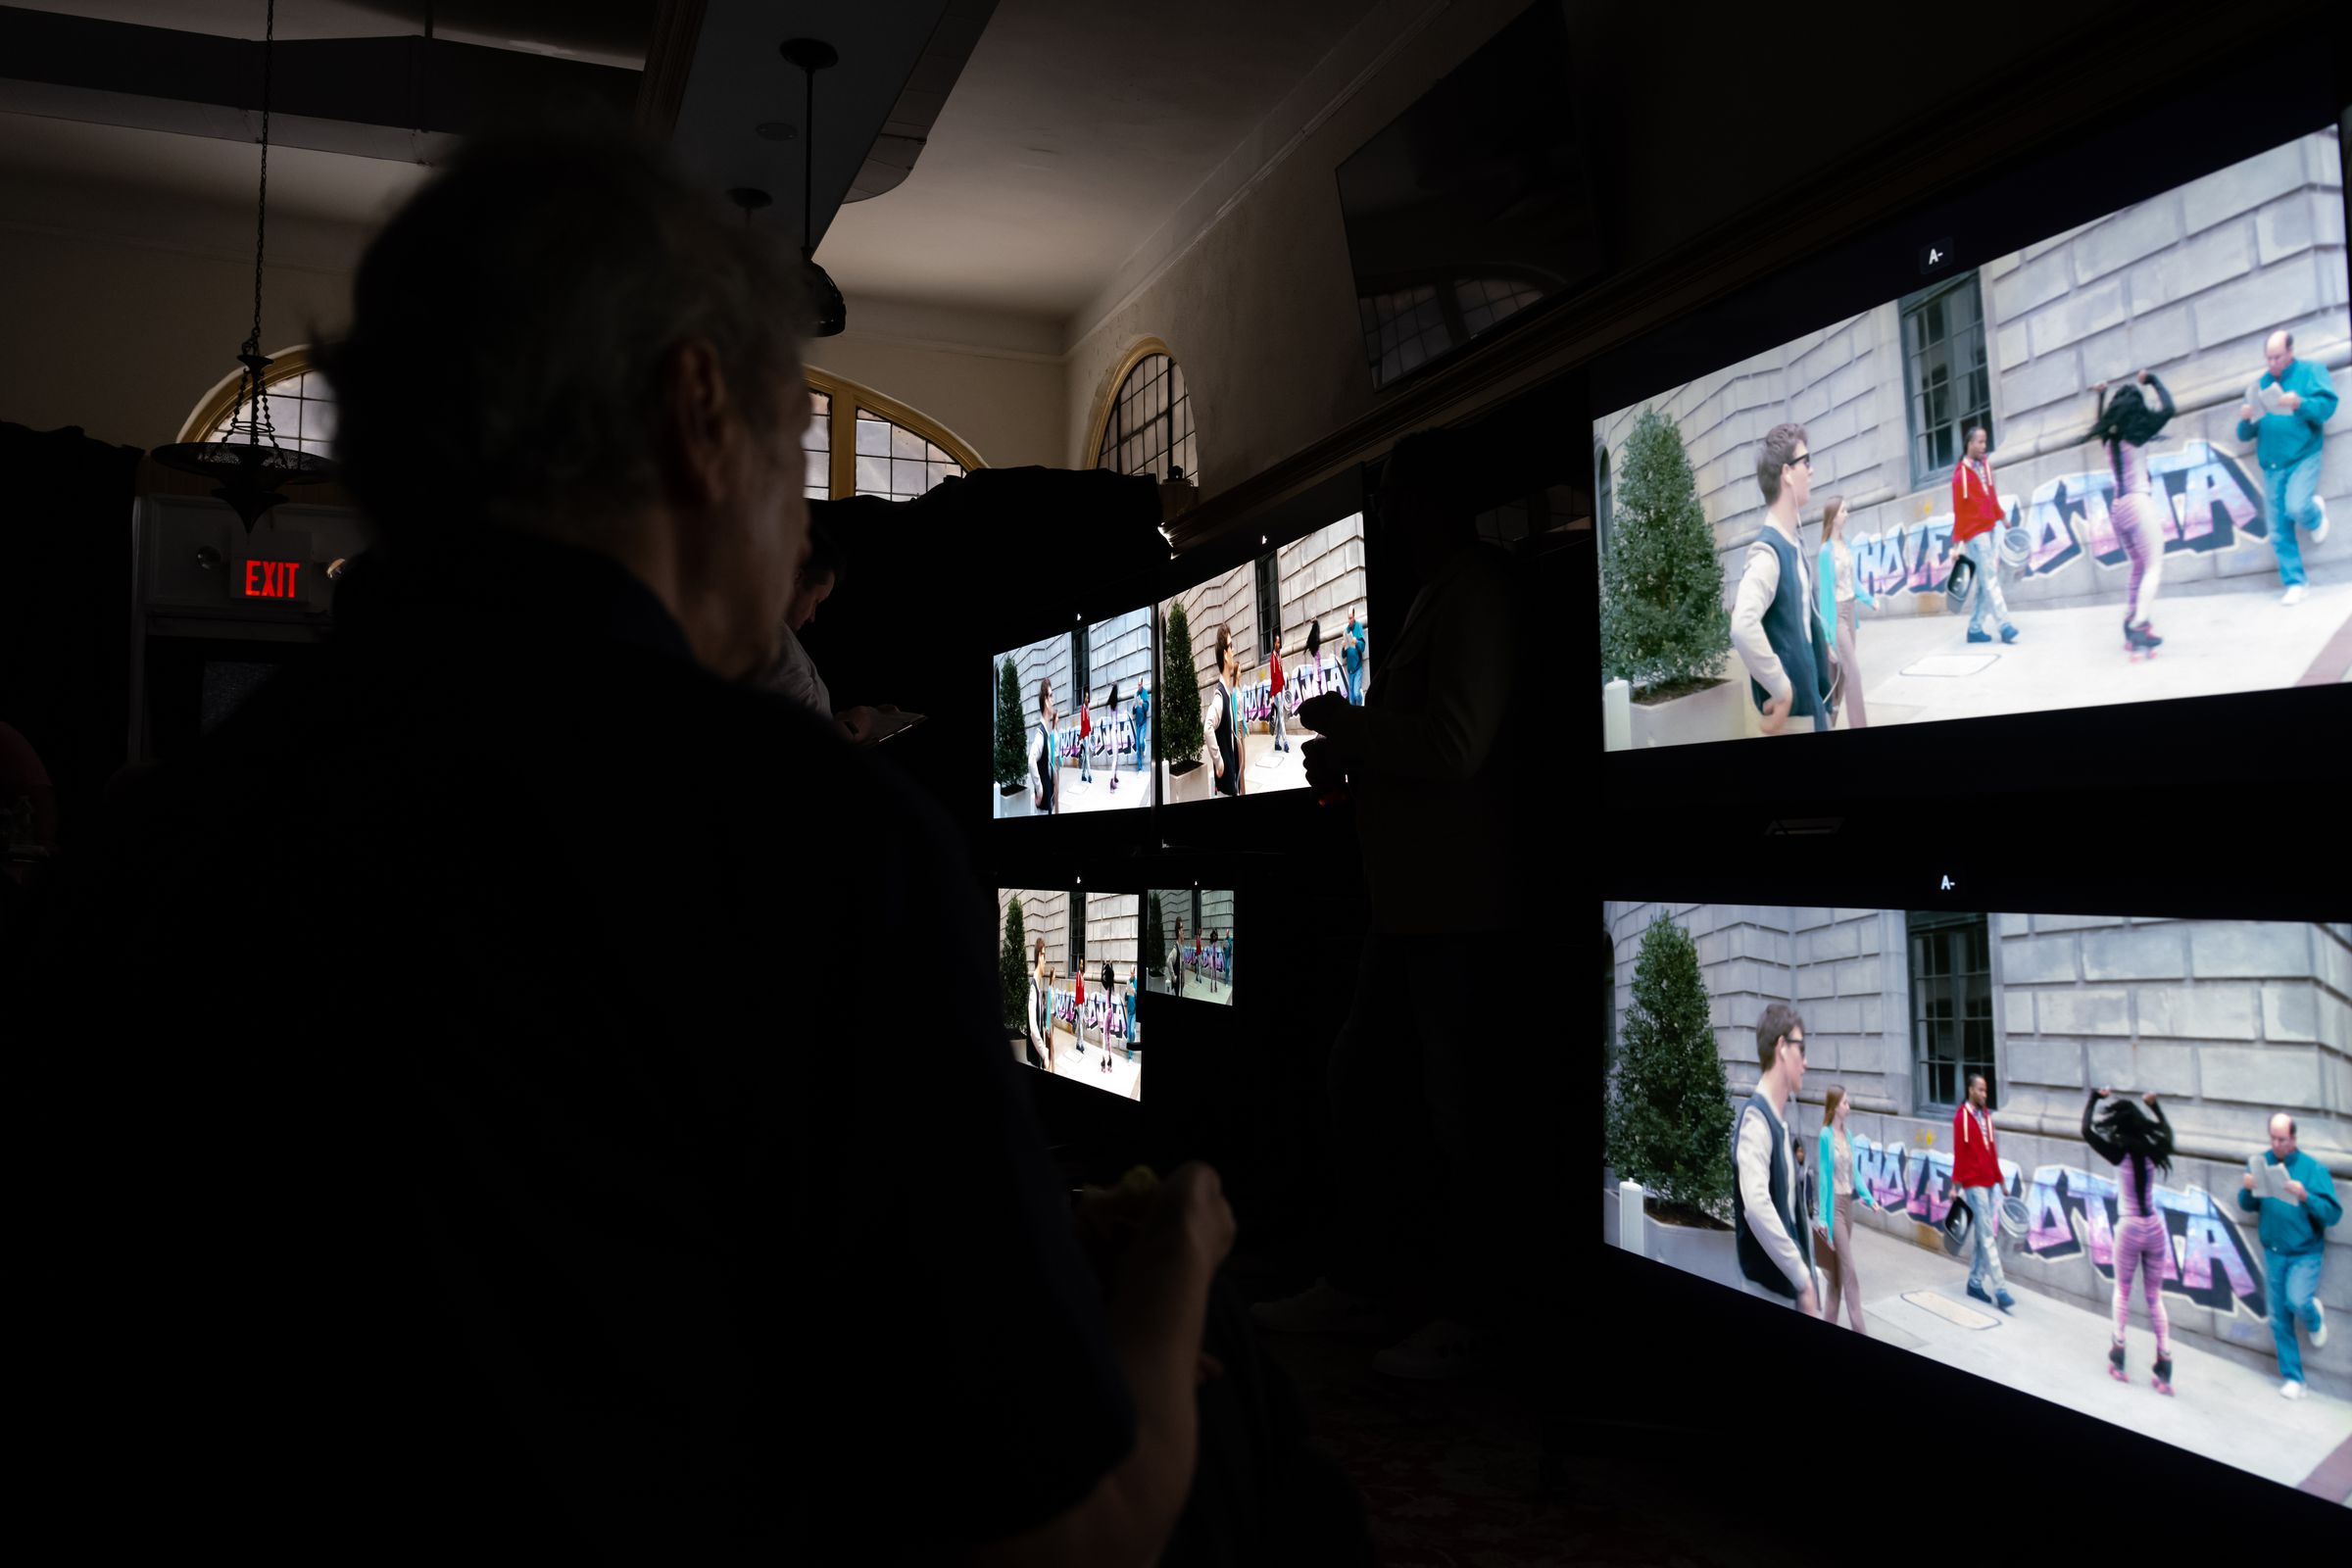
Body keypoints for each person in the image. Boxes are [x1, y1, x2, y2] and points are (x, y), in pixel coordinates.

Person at [25, 126, 1295, 1564]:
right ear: (701, 414)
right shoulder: (814, 842)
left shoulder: (145, 843)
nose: (801, 541)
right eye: (786, 458)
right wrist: (1181, 1246)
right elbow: (1078, 1530)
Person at [1263, 425, 1527, 1382]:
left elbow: (1456, 744)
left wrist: (1350, 727)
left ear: (1426, 503)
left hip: (1454, 909)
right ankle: (1370, 1285)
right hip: (1415, 904)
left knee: (1453, 1120)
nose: (1389, 514)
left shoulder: (1476, 595)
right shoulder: (1444, 594)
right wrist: (1357, 757)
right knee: (1369, 1089)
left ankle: (1466, 1318)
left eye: (1397, 496)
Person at [1731, 423, 1835, 736]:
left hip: (1811, 708)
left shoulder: (1790, 542)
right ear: (1787, 473)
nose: (1812, 470)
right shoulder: (1768, 551)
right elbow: (1742, 625)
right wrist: (1781, 689)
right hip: (1795, 718)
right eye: (1807, 461)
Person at [2237, 1112, 2341, 1399]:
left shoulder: (2313, 1169)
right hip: (2274, 1252)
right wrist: (2247, 1190)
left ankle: (2313, 1317)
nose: (2276, 1144)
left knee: (2297, 1300)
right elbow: (2247, 1205)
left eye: (2282, 1139)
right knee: (2278, 1318)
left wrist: (2306, 1196)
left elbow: (2333, 1214)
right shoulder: (2261, 1162)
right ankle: (2294, 1378)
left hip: (2304, 1252)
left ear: (2294, 1139)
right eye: (2272, 1138)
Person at [2083, 1089, 2178, 1394]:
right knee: (2154, 1297)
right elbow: (2168, 1134)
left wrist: (2093, 1098)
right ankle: (2164, 1362)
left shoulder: (2118, 1152)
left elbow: (2086, 1130)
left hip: (2130, 1227)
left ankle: (2118, 1354)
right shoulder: (2154, 1149)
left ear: (2120, 1124)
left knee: (2122, 1291)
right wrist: (2156, 1107)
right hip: (2154, 1227)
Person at [2235, 329, 2338, 606]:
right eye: (2268, 358)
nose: (2272, 364)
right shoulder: (2259, 386)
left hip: (2303, 455)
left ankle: (2314, 515)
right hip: (2272, 464)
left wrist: (2300, 403)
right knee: (2278, 528)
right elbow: (2244, 435)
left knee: (2297, 506)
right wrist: (2246, 419)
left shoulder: (2311, 371)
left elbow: (2326, 409)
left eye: (2277, 357)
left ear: (2290, 352)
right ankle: (2296, 583)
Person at [1729, 1005, 1819, 1313]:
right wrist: (1802, 1277)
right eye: (1801, 1049)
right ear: (1782, 1047)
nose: (1806, 1063)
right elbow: (1755, 1205)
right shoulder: (1757, 1119)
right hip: (1768, 1291)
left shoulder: (1776, 1123)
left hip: (1783, 1291)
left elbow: (1790, 1217)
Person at [2087, 372, 2177, 657]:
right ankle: (2139, 624)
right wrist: (2152, 380)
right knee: (2153, 566)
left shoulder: (2109, 438)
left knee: (2139, 565)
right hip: (2138, 503)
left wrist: (2101, 396)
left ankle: (2131, 618)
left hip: (2118, 507)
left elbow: (2099, 422)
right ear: (2136, 408)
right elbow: (2169, 409)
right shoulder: (2138, 435)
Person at [1950, 425, 2020, 646]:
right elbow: (1959, 510)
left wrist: (2002, 517)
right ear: (1969, 444)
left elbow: (1991, 497)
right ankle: (2005, 625)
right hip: (1974, 533)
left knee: (1983, 582)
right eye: (1979, 442)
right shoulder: (1960, 475)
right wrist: (1957, 542)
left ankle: (1975, 628)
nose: (1983, 446)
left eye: (1985, 441)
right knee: (1990, 577)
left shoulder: (1986, 467)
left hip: (1989, 528)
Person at [1952, 1073, 2015, 1313]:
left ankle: (1975, 1282)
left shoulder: (1986, 1116)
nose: (1983, 1094)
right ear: (1970, 1090)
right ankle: (2000, 1289)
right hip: (1973, 1183)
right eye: (1980, 1089)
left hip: (1989, 1181)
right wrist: (1954, 1184)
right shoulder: (1961, 1119)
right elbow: (1960, 1153)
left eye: (1986, 1090)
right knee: (1988, 1234)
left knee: (1982, 1234)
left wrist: (2000, 1179)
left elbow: (1992, 1152)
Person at [1814, 496, 1873, 730]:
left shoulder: (1847, 544)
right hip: (1836, 616)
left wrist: (1869, 600)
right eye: (1843, 510)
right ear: (1833, 517)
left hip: (1850, 612)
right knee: (1853, 672)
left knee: (1838, 678)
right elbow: (1826, 597)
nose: (1847, 513)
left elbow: (1854, 582)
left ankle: (1826, 723)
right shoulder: (1825, 552)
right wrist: (1827, 640)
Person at [1816, 1085, 1871, 1333]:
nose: (1849, 1107)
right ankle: (1860, 1329)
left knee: (1836, 1274)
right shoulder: (1825, 1136)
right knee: (1849, 1268)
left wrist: (1868, 1198)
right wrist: (1823, 1219)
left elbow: (1855, 1173)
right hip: (1834, 1209)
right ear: (1835, 1106)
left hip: (1848, 1207)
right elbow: (1824, 1179)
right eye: (1846, 1103)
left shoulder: (1847, 1136)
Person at [1205, 624, 1245, 798]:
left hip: (1231, 784)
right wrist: (1219, 763)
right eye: (1231, 646)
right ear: (1224, 655)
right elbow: (1207, 727)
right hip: (1225, 789)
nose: (1233, 650)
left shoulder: (1228, 693)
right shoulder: (1220, 696)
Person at [1032, 677, 1059, 816]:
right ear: (1045, 700)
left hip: (1047, 803)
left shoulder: (1046, 731)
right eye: (1051, 696)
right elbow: (1031, 760)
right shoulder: (1040, 734)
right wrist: (1040, 789)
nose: (1053, 699)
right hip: (1042, 808)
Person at [1268, 629, 1290, 755]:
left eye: (1279, 642)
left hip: (1280, 689)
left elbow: (1280, 674)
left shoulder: (1278, 656)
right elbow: (1273, 678)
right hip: (1277, 692)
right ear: (1274, 644)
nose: (1279, 644)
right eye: (1277, 643)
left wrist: (1283, 686)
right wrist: (1273, 695)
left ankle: (1277, 742)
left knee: (1280, 717)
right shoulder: (1272, 659)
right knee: (1281, 716)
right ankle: (1285, 742)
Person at [1343, 608, 1365, 706]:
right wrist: (1343, 647)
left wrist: (1357, 642)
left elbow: (1363, 647)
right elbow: (1343, 655)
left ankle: (1361, 706)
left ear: (1354, 616)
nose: (1350, 620)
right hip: (1350, 669)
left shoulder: (1358, 626)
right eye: (1348, 618)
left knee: (1356, 694)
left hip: (1357, 667)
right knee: (1351, 701)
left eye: (1351, 618)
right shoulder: (1346, 630)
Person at [1132, 678, 1151, 784]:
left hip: (1143, 723)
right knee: (1137, 747)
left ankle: (1145, 744)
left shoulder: (1145, 692)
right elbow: (1133, 711)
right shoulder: (1136, 694)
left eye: (1139, 684)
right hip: (1137, 724)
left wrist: (1143, 703)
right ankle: (1140, 769)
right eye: (1137, 684)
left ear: (1142, 683)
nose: (1138, 686)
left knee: (1140, 742)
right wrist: (1134, 706)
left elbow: (1147, 708)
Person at [1106, 683, 1123, 793]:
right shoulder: (1115, 706)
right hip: (1115, 733)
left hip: (1113, 732)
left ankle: (1114, 778)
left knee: (1116, 758)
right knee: (1115, 759)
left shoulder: (1112, 705)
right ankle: (1111, 783)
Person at [1079, 686, 1094, 786]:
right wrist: (1083, 736)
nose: (1088, 699)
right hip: (1084, 735)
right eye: (1086, 698)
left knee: (1085, 755)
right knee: (1087, 755)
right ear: (1084, 699)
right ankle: (1089, 775)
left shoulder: (1087, 709)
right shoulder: (1083, 709)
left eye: (1088, 698)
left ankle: (1083, 774)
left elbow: (1087, 723)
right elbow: (1083, 723)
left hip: (1087, 734)